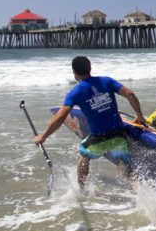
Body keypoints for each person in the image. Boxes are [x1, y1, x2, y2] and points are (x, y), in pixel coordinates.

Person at [34, 56, 145, 190]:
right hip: (119, 134)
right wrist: (139, 115)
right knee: (124, 164)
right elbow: (130, 94)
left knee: (84, 156)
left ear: (74, 72)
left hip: (98, 138)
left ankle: (81, 190)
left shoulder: (75, 92)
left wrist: (43, 136)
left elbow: (61, 116)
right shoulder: (106, 81)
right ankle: (140, 193)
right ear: (90, 68)